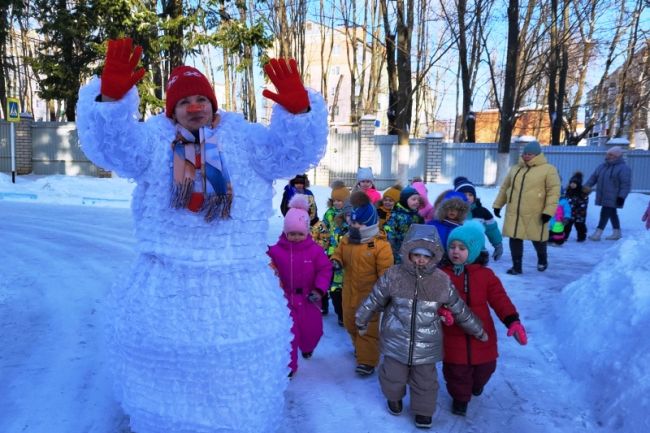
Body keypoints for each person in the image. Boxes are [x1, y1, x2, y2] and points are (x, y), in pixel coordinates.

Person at [77, 38, 328, 432]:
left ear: (213, 103)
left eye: (202, 99)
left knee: (237, 391)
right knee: (165, 383)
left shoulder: (246, 140)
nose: (195, 107)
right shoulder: (153, 142)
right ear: (170, 110)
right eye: (183, 102)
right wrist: (109, 101)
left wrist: (298, 114)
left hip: (239, 295)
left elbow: (290, 155)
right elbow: (112, 148)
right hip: (166, 295)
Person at [355, 224, 487, 429]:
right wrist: (361, 319)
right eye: (416, 254)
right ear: (408, 252)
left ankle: (423, 412)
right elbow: (374, 299)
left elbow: (460, 309)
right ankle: (394, 398)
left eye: (426, 256)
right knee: (392, 376)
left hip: (427, 345)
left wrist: (477, 329)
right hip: (395, 341)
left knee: (425, 382)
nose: (420, 260)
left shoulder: (441, 281)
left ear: (434, 256)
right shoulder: (394, 276)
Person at [441, 221, 527, 417]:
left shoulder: (486, 275)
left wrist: (512, 320)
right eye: (452, 247)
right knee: (456, 372)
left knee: (486, 368)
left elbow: (500, 299)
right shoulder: (442, 275)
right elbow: (433, 298)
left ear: (475, 250)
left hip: (482, 334)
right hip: (453, 333)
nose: (456, 252)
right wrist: (440, 311)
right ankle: (460, 399)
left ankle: (477, 384)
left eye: (462, 248)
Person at [268, 195, 333, 377]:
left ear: (307, 232)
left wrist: (319, 289)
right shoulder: (276, 250)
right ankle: (290, 366)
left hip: (308, 298)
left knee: (313, 331)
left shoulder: (315, 251)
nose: (296, 237)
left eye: (299, 233)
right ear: (285, 232)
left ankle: (308, 347)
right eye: (292, 233)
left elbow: (325, 270)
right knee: (290, 335)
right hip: (285, 299)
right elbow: (266, 263)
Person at [331, 191, 393, 376]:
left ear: (370, 224)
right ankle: (360, 347)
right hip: (349, 292)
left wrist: (386, 290)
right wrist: (336, 260)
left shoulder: (380, 246)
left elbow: (385, 271)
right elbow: (339, 253)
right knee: (350, 324)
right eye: (354, 223)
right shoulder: (347, 240)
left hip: (370, 296)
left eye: (360, 224)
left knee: (367, 328)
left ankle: (367, 361)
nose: (355, 226)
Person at [493, 140, 560, 274]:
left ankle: (542, 259)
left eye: (530, 154)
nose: (526, 156)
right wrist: (498, 205)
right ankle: (517, 267)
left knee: (537, 238)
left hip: (536, 211)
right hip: (514, 211)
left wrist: (548, 211)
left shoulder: (548, 169)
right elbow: (505, 187)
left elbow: (553, 192)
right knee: (515, 238)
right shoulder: (516, 168)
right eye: (525, 154)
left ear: (537, 155)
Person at [316, 180, 350, 322]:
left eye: (340, 201)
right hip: (328, 254)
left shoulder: (349, 215)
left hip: (344, 256)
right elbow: (322, 231)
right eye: (334, 200)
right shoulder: (328, 214)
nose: (337, 203)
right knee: (323, 279)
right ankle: (323, 306)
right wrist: (320, 245)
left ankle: (341, 314)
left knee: (338, 286)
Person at [583, 146, 632, 241]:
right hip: (603, 194)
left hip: (615, 196)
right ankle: (617, 232)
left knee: (605, 212)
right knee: (612, 213)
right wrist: (586, 187)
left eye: (611, 154)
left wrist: (621, 197)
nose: (608, 156)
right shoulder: (602, 166)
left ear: (617, 156)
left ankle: (598, 233)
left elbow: (625, 184)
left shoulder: (623, 168)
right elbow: (593, 178)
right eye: (608, 154)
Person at [454, 176, 504, 260]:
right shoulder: (452, 212)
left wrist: (498, 244)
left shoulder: (481, 212)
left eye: (470, 195)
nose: (468, 197)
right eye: (464, 194)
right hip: (456, 252)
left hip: (478, 251)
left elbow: (492, 229)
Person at [385, 186, 423, 263]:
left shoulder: (417, 215)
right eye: (413, 199)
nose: (417, 202)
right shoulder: (395, 215)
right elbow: (389, 232)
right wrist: (393, 249)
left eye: (418, 200)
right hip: (398, 251)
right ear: (405, 200)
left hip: (413, 250)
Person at [563, 172, 589, 242]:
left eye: (574, 183)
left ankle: (581, 237)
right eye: (571, 183)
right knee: (567, 225)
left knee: (580, 226)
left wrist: (578, 210)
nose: (572, 185)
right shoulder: (568, 191)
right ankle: (564, 236)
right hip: (569, 213)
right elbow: (564, 201)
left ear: (578, 184)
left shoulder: (583, 193)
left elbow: (583, 204)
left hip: (580, 213)